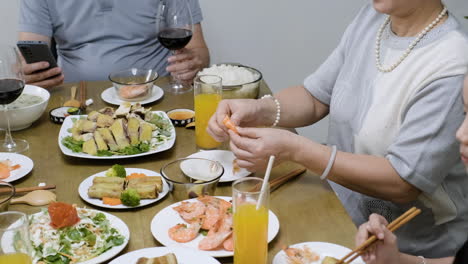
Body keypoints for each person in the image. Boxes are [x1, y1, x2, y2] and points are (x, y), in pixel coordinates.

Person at [208, 0, 468, 259]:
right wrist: (256, 109)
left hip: (398, 247)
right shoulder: (373, 18)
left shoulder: (452, 62)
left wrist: (295, 149)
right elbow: (315, 98)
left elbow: (403, 182)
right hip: (331, 203)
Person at [18, 0, 210, 88]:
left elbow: (198, 51)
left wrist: (194, 64)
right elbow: (28, 57)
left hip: (155, 93)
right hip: (77, 98)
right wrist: (28, 73)